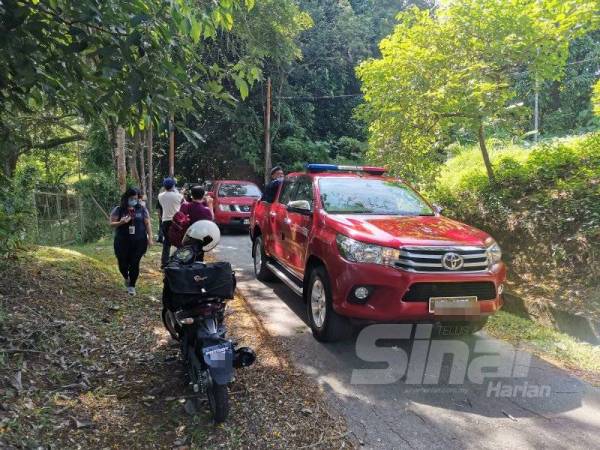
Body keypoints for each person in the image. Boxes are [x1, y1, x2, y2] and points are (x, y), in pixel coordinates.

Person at [110, 188, 153, 296]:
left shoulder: (142, 209)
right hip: (122, 242)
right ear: (126, 198)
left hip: (139, 241)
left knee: (135, 263)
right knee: (122, 263)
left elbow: (147, 224)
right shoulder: (119, 209)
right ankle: (126, 277)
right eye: (131, 198)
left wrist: (150, 238)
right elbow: (111, 224)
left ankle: (132, 286)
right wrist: (121, 222)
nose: (134, 200)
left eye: (136, 198)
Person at [158, 177, 184, 268]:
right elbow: (183, 203)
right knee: (179, 242)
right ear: (173, 185)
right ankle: (179, 260)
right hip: (176, 221)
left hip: (165, 221)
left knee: (167, 243)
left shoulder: (160, 196)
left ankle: (164, 263)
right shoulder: (179, 196)